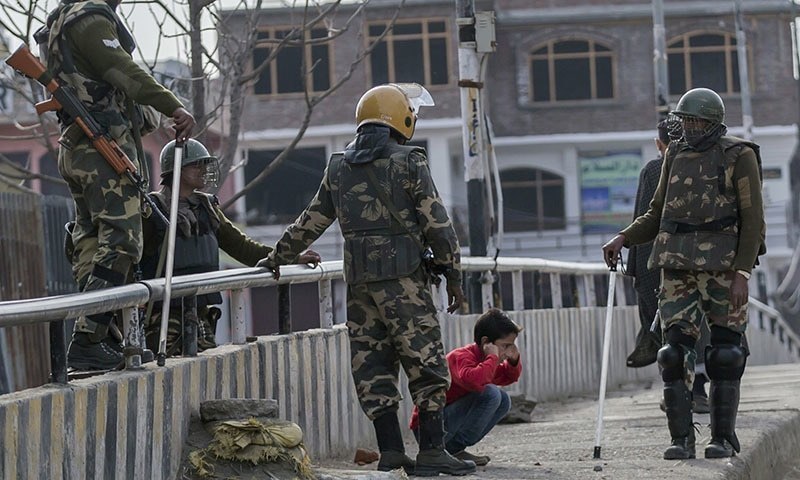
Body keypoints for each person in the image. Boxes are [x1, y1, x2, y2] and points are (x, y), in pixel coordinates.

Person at [256, 83, 475, 476]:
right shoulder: (411, 162)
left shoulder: (338, 166)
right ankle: (431, 452)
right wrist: (454, 277)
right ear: (401, 119)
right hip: (405, 283)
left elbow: (312, 220)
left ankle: (390, 451)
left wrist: (277, 256)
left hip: (360, 288)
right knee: (425, 366)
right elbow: (439, 226)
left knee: (372, 367)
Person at [602, 88, 765, 460]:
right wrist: (624, 237)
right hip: (677, 266)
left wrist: (742, 272)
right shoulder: (674, 153)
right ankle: (681, 438)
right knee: (673, 353)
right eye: (685, 121)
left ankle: (722, 438)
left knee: (726, 353)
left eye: (696, 122)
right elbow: (657, 213)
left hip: (724, 268)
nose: (689, 128)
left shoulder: (739, 156)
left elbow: (753, 219)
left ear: (713, 123)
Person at [36, 0, 196, 370]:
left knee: (92, 242)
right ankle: (89, 337)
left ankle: (99, 340)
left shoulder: (63, 18)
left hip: (83, 146)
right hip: (99, 146)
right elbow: (124, 71)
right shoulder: (89, 18)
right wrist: (173, 105)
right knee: (124, 239)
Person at [140, 139, 320, 354]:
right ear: (176, 169)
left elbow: (243, 248)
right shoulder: (153, 211)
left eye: (205, 164)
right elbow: (132, 257)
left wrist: (289, 257)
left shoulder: (207, 208)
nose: (203, 170)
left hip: (200, 312)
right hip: (164, 316)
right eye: (196, 165)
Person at [627, 119, 710, 413]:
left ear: (659, 144)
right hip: (704, 262)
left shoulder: (653, 169)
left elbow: (645, 218)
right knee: (698, 324)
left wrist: (636, 270)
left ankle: (678, 393)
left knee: (670, 330)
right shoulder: (708, 164)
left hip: (662, 265)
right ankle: (698, 390)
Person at [409, 308, 522, 467]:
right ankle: (443, 449)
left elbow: (507, 377)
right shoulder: (462, 357)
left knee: (504, 400)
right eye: (505, 345)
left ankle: (455, 449)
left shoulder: (487, 360)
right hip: (427, 429)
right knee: (492, 393)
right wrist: (493, 357)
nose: (508, 351)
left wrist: (513, 361)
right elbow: (474, 381)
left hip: (447, 422)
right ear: (486, 343)